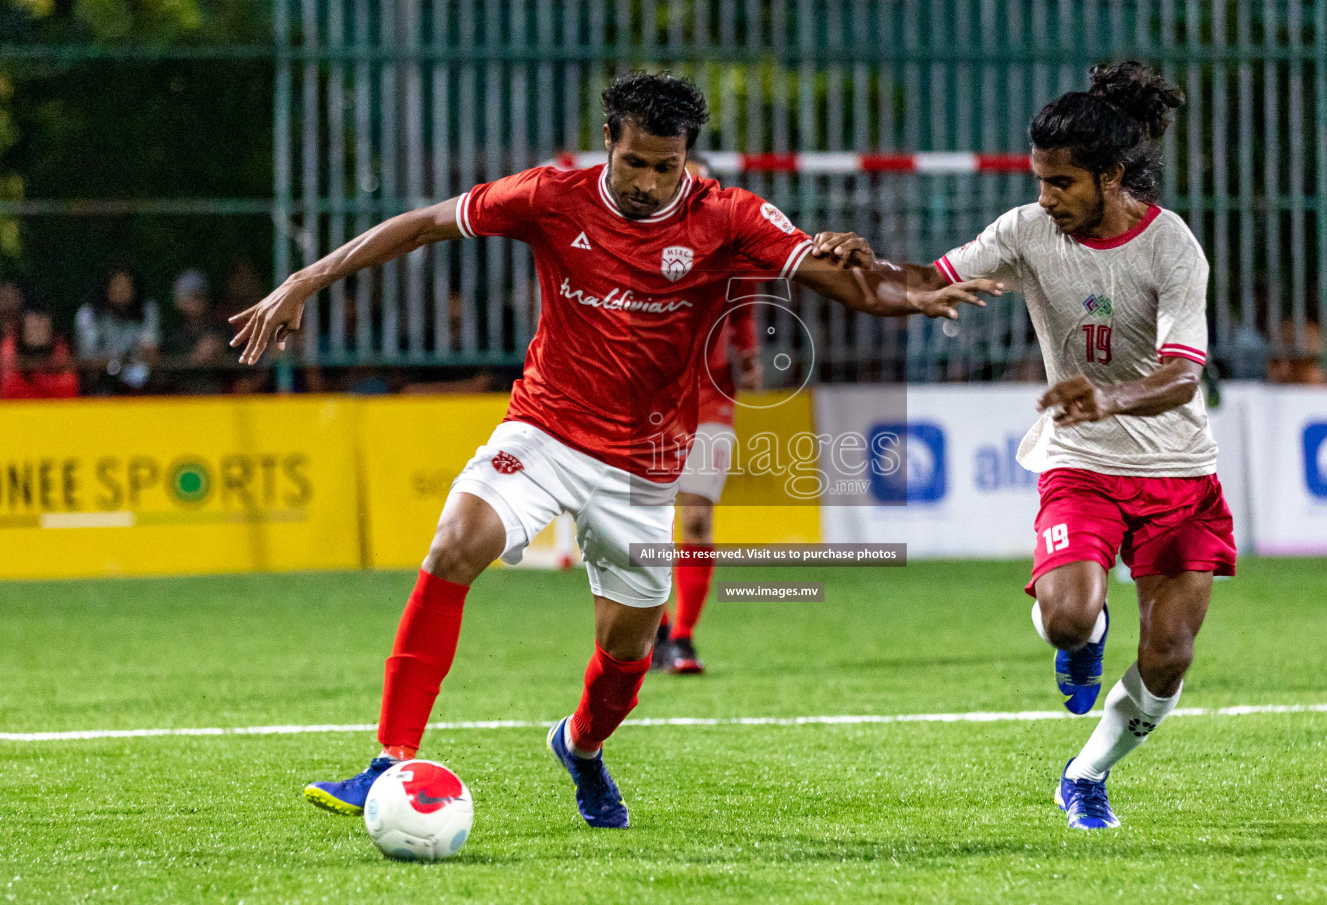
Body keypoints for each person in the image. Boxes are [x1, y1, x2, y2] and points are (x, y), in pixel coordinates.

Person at [230, 72, 996, 830]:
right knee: (455, 544)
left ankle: (581, 749)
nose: (650, 182)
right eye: (636, 163)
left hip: (644, 467)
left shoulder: (727, 215)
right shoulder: (550, 196)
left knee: (628, 652)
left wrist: (913, 290)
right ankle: (390, 760)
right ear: (608, 143)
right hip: (544, 430)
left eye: (667, 166)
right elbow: (428, 223)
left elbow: (849, 280)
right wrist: (307, 277)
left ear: (687, 156)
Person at [865, 61, 1236, 830]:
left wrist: (1107, 395)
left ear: (1111, 175)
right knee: (1069, 618)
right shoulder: (1027, 231)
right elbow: (928, 277)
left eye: (1063, 183)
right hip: (1083, 464)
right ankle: (1080, 642)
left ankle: (1086, 774)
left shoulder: (1173, 248)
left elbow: (1180, 377)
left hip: (1178, 470)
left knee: (1168, 656)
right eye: (1039, 180)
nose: (1047, 198)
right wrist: (853, 267)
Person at [653, 155, 763, 676]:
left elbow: (742, 306)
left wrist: (747, 354)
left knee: (695, 516)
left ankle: (682, 636)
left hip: (712, 391)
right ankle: (648, 627)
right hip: (645, 395)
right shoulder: (634, 241)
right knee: (639, 521)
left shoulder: (727, 243)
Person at [74, 267, 159, 394]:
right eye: (117, 285)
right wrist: (117, 360)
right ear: (106, 288)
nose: (122, 291)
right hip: (100, 385)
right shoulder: (88, 314)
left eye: (127, 285)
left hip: (139, 386)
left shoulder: (146, 310)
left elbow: (151, 352)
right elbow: (88, 359)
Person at [161, 269, 230, 395]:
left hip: (219, 400)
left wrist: (220, 349)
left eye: (200, 295)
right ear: (178, 302)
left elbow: (240, 367)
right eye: (191, 296)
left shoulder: (222, 329)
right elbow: (162, 375)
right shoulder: (170, 334)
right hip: (180, 401)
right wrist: (191, 360)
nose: (197, 301)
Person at [0, 304, 79, 399]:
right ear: (22, 330)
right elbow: (8, 388)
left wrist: (42, 380)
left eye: (43, 327)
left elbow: (69, 387)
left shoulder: (59, 351)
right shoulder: (10, 350)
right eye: (34, 327)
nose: (38, 334)